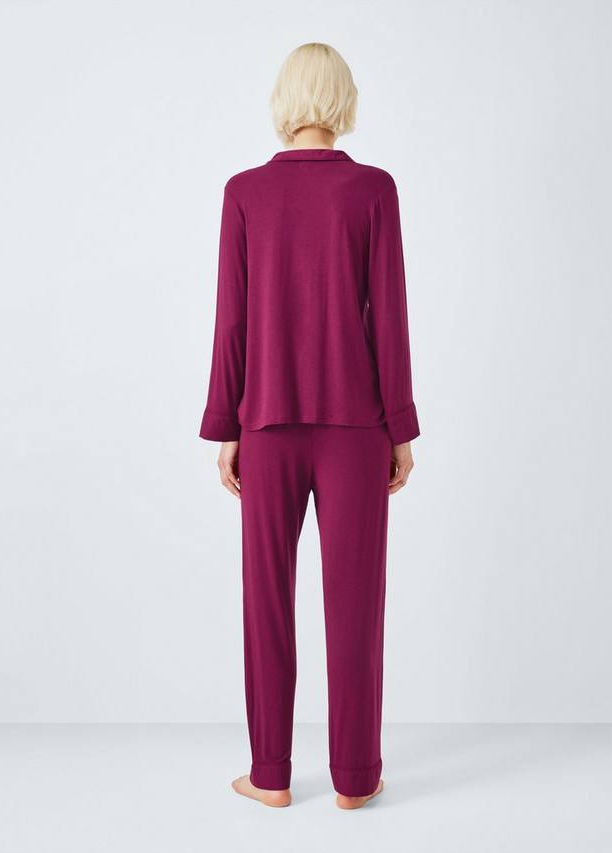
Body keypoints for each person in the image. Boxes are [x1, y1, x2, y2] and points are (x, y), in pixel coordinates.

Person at [199, 42, 420, 810]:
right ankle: (356, 779)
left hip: (265, 423)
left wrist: (226, 425)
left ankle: (271, 775)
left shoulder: (244, 193)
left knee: (267, 602)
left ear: (285, 100)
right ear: (343, 99)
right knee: (355, 605)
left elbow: (232, 321)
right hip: (357, 426)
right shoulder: (373, 190)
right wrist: (400, 427)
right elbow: (389, 317)